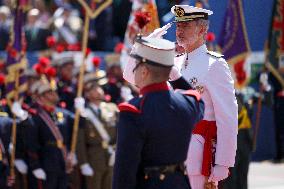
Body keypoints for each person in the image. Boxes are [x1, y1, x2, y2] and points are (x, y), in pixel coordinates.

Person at [112, 36, 204, 189]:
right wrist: (175, 76)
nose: (133, 72)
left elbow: (124, 170)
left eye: (136, 66)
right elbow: (197, 99)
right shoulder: (187, 104)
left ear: (144, 72)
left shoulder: (134, 111)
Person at [169, 5, 238, 189]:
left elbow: (228, 117)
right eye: (178, 26)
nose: (180, 31)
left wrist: (223, 162)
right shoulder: (173, 62)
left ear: (202, 30)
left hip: (197, 155)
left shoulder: (214, 65)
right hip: (169, 154)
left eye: (186, 26)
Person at [75, 73, 118, 189]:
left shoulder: (112, 108)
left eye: (99, 87)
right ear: (87, 94)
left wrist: (117, 150)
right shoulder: (83, 112)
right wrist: (83, 163)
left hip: (111, 155)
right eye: (94, 89)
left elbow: (120, 132)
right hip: (94, 156)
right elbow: (80, 140)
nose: (99, 90)